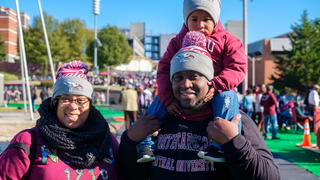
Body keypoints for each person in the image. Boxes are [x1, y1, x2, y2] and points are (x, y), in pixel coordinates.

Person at [118, 48, 280, 180]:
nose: (185, 84)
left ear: (210, 82)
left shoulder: (233, 119)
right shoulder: (157, 121)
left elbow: (270, 176)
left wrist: (233, 142)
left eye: (194, 76)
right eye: (178, 77)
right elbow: (129, 175)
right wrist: (129, 139)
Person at [139, 0, 246, 163]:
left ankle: (220, 145)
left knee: (228, 95)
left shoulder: (228, 41)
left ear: (215, 19)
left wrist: (217, 84)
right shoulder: (177, 41)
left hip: (215, 92)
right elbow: (164, 69)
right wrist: (167, 99)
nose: (200, 25)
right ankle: (145, 144)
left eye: (206, 19)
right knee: (159, 100)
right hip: (183, 94)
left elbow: (237, 67)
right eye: (194, 19)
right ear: (186, 19)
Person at [0, 60, 120, 179]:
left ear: (89, 105)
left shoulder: (107, 140)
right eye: (65, 99)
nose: (73, 106)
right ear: (55, 103)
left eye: (80, 100)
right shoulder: (29, 141)